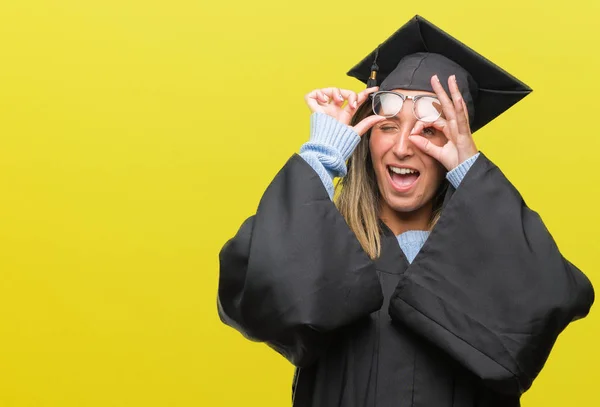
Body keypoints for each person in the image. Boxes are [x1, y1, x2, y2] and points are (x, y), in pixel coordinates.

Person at [216, 15, 594, 407]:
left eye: (430, 130)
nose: (402, 148)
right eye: (388, 125)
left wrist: (469, 169)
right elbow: (256, 292)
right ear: (366, 137)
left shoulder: (485, 255)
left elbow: (544, 302)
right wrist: (323, 153)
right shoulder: (330, 245)